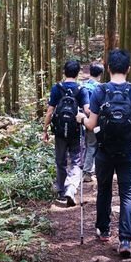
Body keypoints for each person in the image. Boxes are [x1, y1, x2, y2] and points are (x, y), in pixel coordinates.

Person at [83, 48, 131, 258]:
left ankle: (103, 230)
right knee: (127, 194)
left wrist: (81, 119)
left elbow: (91, 125)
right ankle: (126, 240)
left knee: (104, 189)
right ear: (128, 69)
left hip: (104, 152)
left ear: (109, 68)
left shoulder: (99, 92)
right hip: (128, 152)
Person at [43, 59, 87, 207]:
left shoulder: (57, 88)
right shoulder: (81, 89)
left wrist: (45, 129)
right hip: (76, 130)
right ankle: (71, 188)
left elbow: (50, 111)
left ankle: (61, 190)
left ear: (64, 72)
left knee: (60, 160)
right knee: (76, 161)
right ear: (78, 73)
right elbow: (87, 109)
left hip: (60, 131)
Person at [80, 63, 104, 179]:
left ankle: (86, 168)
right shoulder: (100, 88)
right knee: (92, 145)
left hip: (83, 119)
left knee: (87, 144)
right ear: (100, 74)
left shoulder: (83, 86)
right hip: (95, 120)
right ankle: (87, 172)